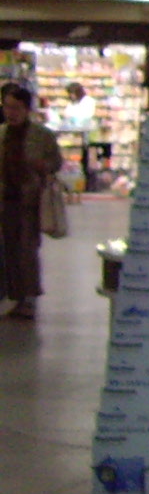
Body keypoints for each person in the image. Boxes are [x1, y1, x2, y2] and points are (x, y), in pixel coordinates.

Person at [1, 81, 62, 320]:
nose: (11, 113)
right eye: (7, 107)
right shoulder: (1, 134)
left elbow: (56, 162)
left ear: (27, 109)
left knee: (27, 250)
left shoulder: (42, 135)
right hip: (5, 200)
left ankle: (29, 297)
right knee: (8, 250)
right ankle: (14, 296)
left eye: (16, 108)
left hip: (30, 201)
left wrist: (43, 166)